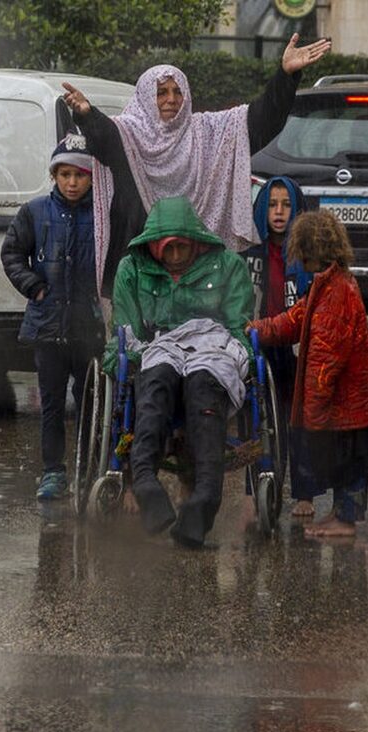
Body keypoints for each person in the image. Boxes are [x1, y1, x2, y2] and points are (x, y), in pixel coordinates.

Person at [60, 34, 332, 298]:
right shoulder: (127, 134)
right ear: (145, 97)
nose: (171, 99)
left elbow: (261, 122)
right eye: (161, 92)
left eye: (178, 92)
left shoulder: (208, 131)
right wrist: (86, 114)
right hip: (140, 272)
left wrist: (285, 77)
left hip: (198, 274)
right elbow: (103, 139)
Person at [109, 196, 253, 548]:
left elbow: (237, 324)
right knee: (154, 382)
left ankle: (203, 500)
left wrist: (243, 357)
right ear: (155, 247)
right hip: (161, 345)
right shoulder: (133, 268)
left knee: (204, 386)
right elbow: (125, 333)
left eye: (182, 249)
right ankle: (144, 482)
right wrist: (120, 359)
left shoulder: (229, 266)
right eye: (168, 249)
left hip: (211, 343)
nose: (175, 257)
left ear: (195, 242)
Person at [248, 210, 368, 538]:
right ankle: (340, 514)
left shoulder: (336, 293)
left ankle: (346, 519)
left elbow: (325, 362)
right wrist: (257, 329)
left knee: (351, 462)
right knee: (348, 463)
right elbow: (295, 320)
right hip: (352, 406)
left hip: (351, 408)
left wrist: (312, 416)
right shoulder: (328, 284)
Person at [1, 136, 104, 511]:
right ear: (54, 175)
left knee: (91, 400)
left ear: (92, 177)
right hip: (47, 326)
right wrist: (34, 286)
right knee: (52, 404)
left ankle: (91, 467)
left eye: (80, 174)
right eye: (65, 174)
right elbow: (12, 253)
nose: (72, 183)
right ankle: (53, 471)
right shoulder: (35, 212)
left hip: (89, 327)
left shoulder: (102, 215)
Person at [240, 176, 318, 519]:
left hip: (291, 348)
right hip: (256, 347)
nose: (279, 212)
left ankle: (303, 493)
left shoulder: (305, 256)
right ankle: (252, 489)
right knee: (254, 420)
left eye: (286, 205)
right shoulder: (249, 254)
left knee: (295, 421)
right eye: (272, 205)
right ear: (261, 210)